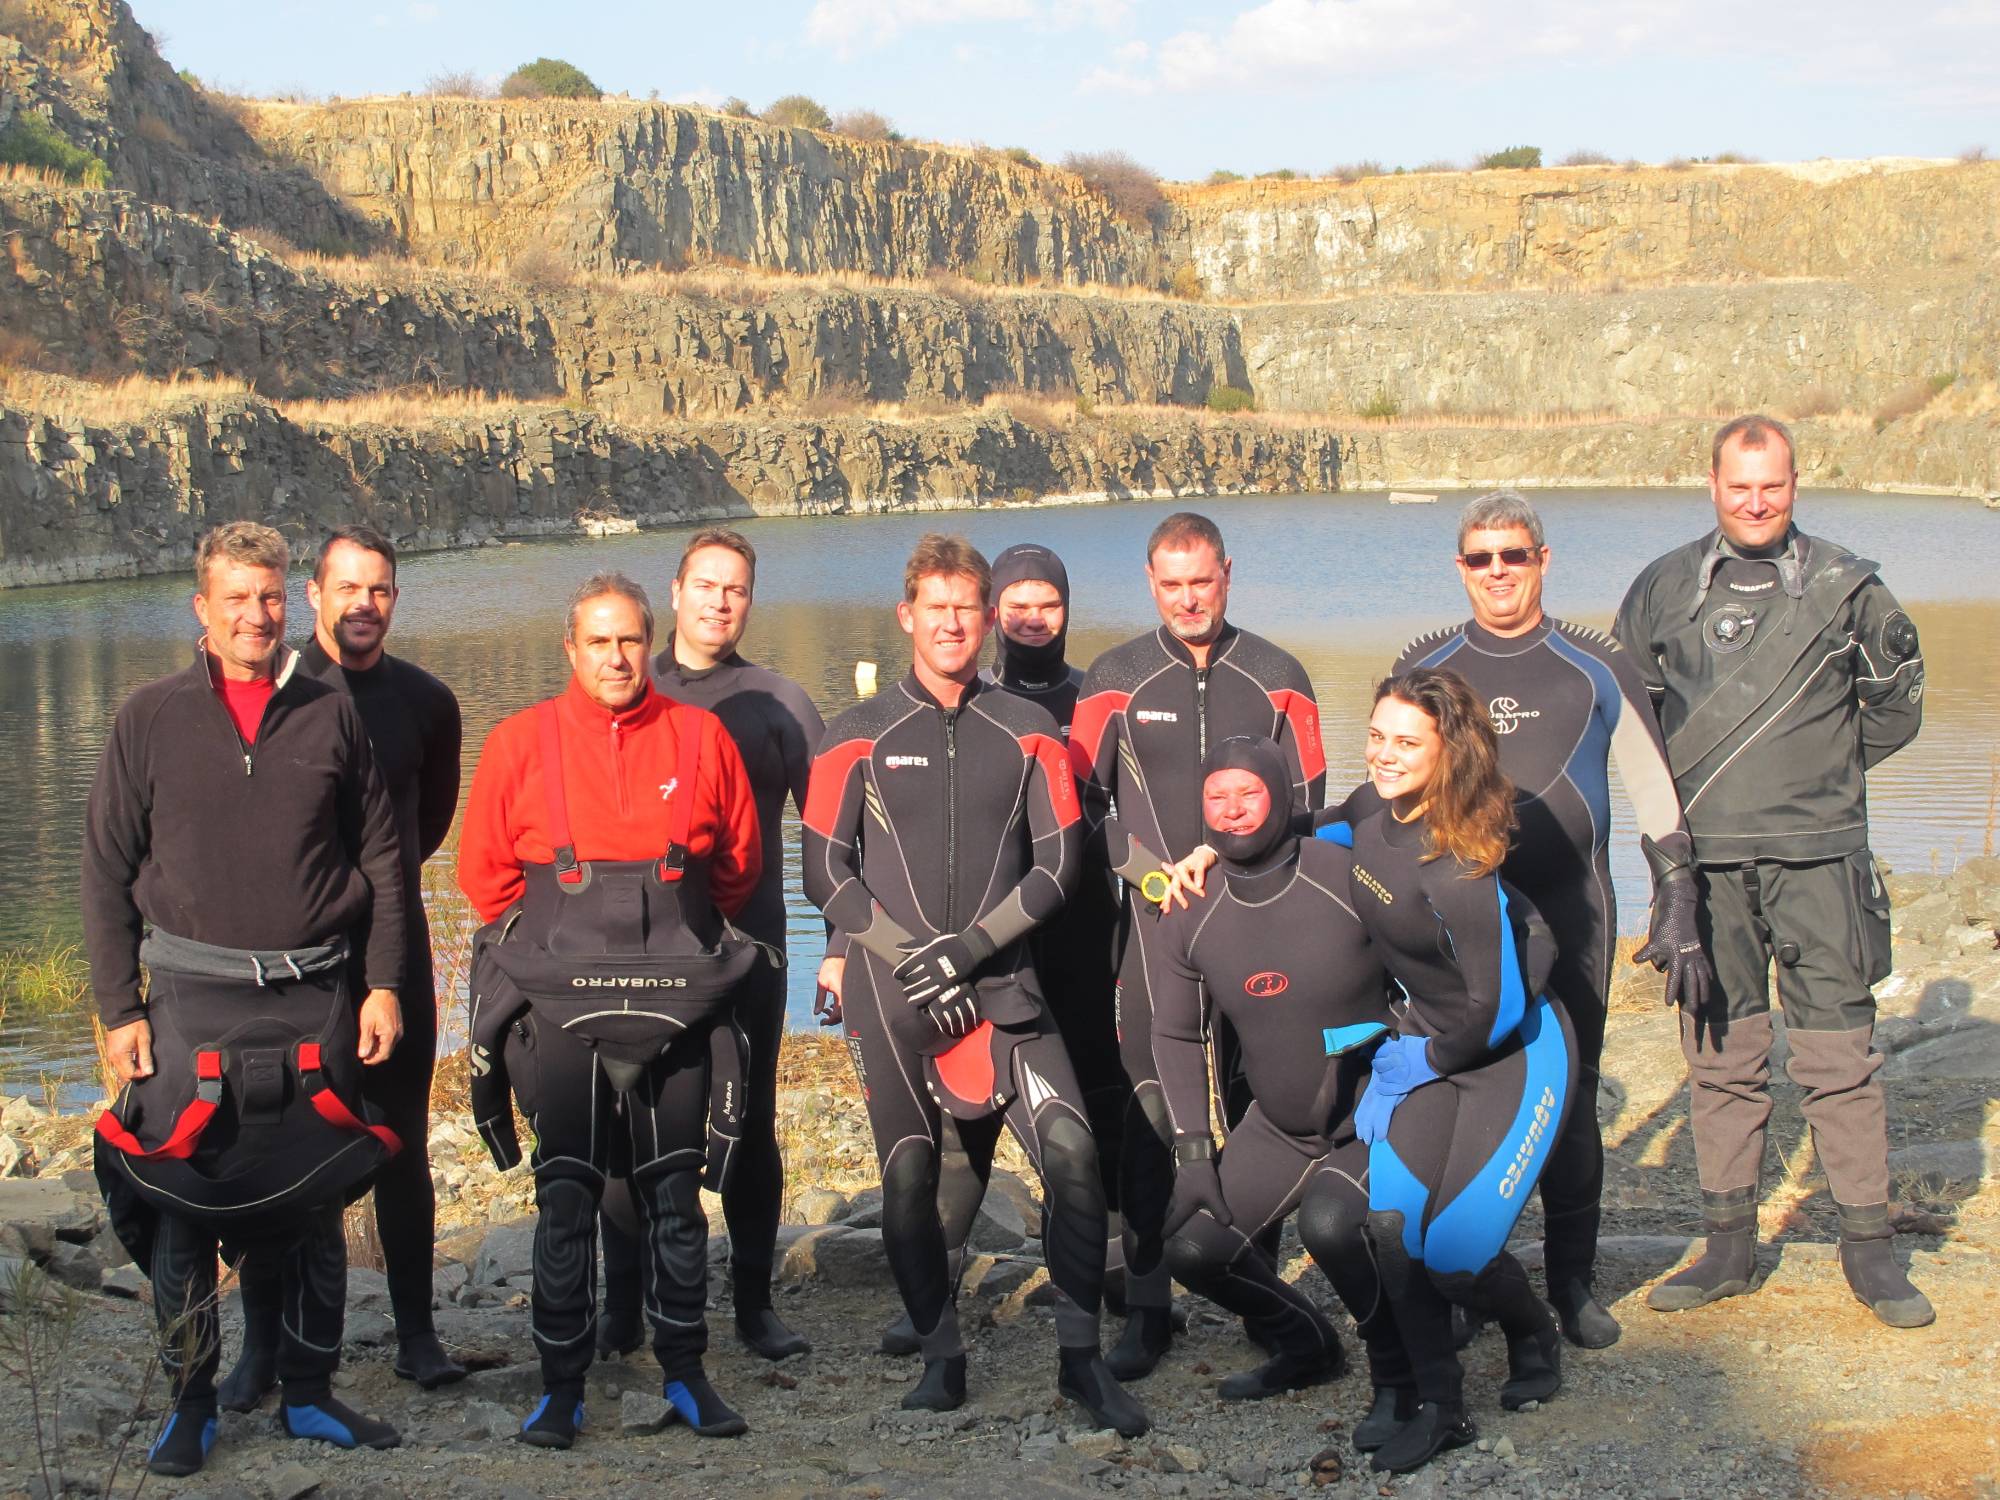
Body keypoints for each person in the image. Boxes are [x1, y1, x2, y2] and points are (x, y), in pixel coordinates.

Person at [802, 534, 1147, 1436]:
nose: (952, 623)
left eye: (967, 608)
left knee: (1072, 1154)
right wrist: (905, 951)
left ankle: (1081, 1361)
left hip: (1003, 983)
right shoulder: (856, 734)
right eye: (937, 608)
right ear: (907, 616)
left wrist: (968, 950)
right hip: (893, 993)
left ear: (987, 618)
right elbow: (824, 871)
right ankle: (941, 1356)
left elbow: (1059, 864)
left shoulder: (1027, 729)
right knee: (910, 1177)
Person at [83, 521, 408, 1476]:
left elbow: (382, 862)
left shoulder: (328, 713)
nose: (256, 616)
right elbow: (105, 871)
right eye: (237, 598)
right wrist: (120, 1009)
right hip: (191, 999)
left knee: (315, 1200)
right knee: (183, 1204)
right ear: (203, 607)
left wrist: (385, 984)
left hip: (314, 994)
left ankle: (309, 1392)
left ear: (286, 601)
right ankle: (191, 1407)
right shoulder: (148, 717)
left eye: (269, 597)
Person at [1615, 415, 1931, 1327]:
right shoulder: (1661, 588)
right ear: (1713, 485)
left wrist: (1817, 778)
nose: (1757, 503)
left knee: (1840, 1058)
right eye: (1740, 486)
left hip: (1823, 862)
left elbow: (1895, 710)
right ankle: (1728, 1249)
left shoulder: (1851, 588)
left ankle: (1870, 1251)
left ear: (1795, 484)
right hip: (1706, 870)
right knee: (1721, 1059)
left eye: (1774, 485)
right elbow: (1634, 726)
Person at [1391, 491, 1708, 1348]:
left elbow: (1655, 793)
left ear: (1542, 559)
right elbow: (1388, 789)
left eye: (1514, 555)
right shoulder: (1426, 664)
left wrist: (1677, 895)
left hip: (1573, 913)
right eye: (1481, 557)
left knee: (1571, 1098)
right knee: (1457, 1089)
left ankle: (1571, 1284)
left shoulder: (1595, 665)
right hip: (1462, 919)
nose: (1498, 571)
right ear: (1461, 568)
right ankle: (1461, 1278)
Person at [457, 572, 765, 1446]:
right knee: (564, 1197)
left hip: (678, 1004)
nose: (616, 657)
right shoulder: (520, 742)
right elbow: (484, 878)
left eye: (630, 639)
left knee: (675, 1195)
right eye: (598, 641)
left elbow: (738, 866)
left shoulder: (701, 737)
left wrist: (674, 941)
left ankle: (687, 1374)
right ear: (571, 649)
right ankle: (561, 1389)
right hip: (561, 1007)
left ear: (650, 644)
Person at [1070, 511, 1325, 1377]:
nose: (1188, 600)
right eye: (1172, 585)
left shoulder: (1280, 677)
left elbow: (1310, 806)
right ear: (1151, 583)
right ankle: (1149, 1308)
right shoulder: (1115, 678)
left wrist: (1229, 855)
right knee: (1151, 1111)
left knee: (1261, 1101)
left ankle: (1257, 1292)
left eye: (1202, 582)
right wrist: (1153, 874)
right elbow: (1080, 810)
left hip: (1258, 919)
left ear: (1228, 575)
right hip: (1157, 922)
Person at [220, 526, 466, 1408]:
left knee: (400, 1142)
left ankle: (417, 1334)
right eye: (348, 588)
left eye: (381, 589)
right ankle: (263, 1346)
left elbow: (423, 827)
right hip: (293, 960)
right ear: (314, 595)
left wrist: (376, 909)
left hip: (390, 951)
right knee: (278, 1147)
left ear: (396, 597)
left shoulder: (428, 702)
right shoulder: (277, 694)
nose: (364, 605)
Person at [866, 541, 1129, 1357]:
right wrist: (850, 946)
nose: (1031, 617)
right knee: (961, 1134)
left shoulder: (1083, 702)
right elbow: (877, 855)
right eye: (1017, 602)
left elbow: (1106, 829)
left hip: (1071, 944)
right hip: (973, 955)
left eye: (1048, 601)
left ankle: (1107, 1285)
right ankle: (932, 1302)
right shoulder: (936, 710)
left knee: (1086, 1121)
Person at [1321, 669, 1576, 1474]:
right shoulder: (1370, 812)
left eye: (1407, 743)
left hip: (1510, 1054)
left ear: (1448, 752)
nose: (1384, 755)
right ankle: (1441, 1405)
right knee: (1393, 1232)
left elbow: (1497, 1009)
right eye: (1377, 736)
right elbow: (1312, 834)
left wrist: (1417, 1061)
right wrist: (1208, 851)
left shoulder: (1457, 863)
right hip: (1430, 1046)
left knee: (1456, 1257)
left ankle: (1534, 1332)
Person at [590, 529, 821, 1363]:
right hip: (636, 950)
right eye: (707, 586)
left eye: (737, 589)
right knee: (627, 1125)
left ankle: (753, 1304)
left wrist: (836, 942)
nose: (721, 602)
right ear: (677, 592)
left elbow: (830, 834)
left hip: (747, 946)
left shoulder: (779, 701)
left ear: (749, 601)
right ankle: (624, 1307)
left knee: (749, 1120)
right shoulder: (627, 685)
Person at [1151, 736, 1414, 1447]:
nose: (1233, 811)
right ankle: (1307, 1345)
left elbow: (1433, 975)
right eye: (1217, 797)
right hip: (1281, 1124)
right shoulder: (1190, 905)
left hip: (1375, 1113)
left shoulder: (1344, 874)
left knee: (1331, 1228)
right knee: (1193, 1249)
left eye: (1249, 793)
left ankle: (1399, 1376)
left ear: (1282, 798)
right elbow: (1176, 1034)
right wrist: (1194, 1150)